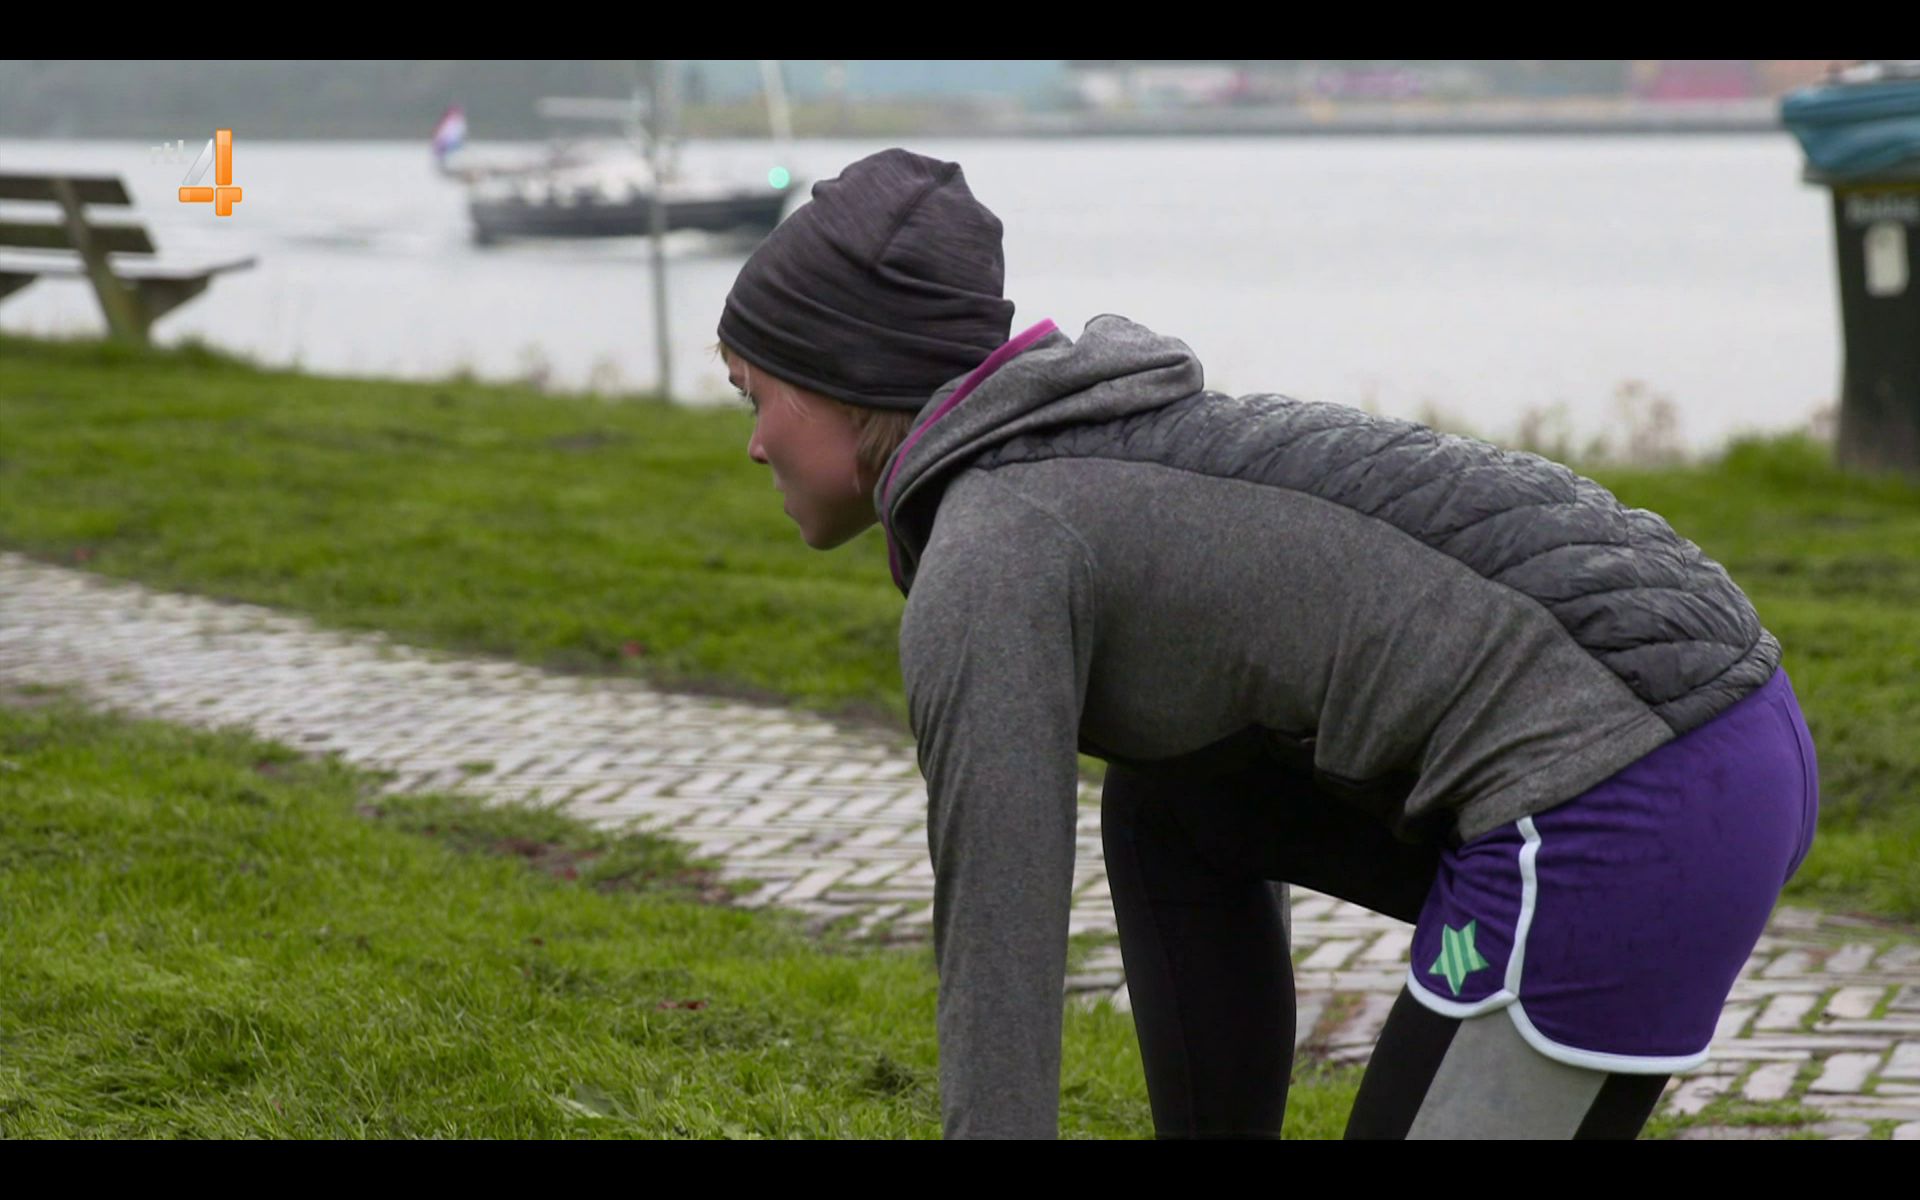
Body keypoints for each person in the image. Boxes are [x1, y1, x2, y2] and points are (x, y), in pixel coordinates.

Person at [713, 148, 1820, 1140]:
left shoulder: (996, 548)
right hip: (1721, 741)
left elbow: (999, 948)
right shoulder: (1067, 473)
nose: (754, 444)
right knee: (1172, 802)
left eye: (754, 394)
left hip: (1635, 790)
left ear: (842, 374)